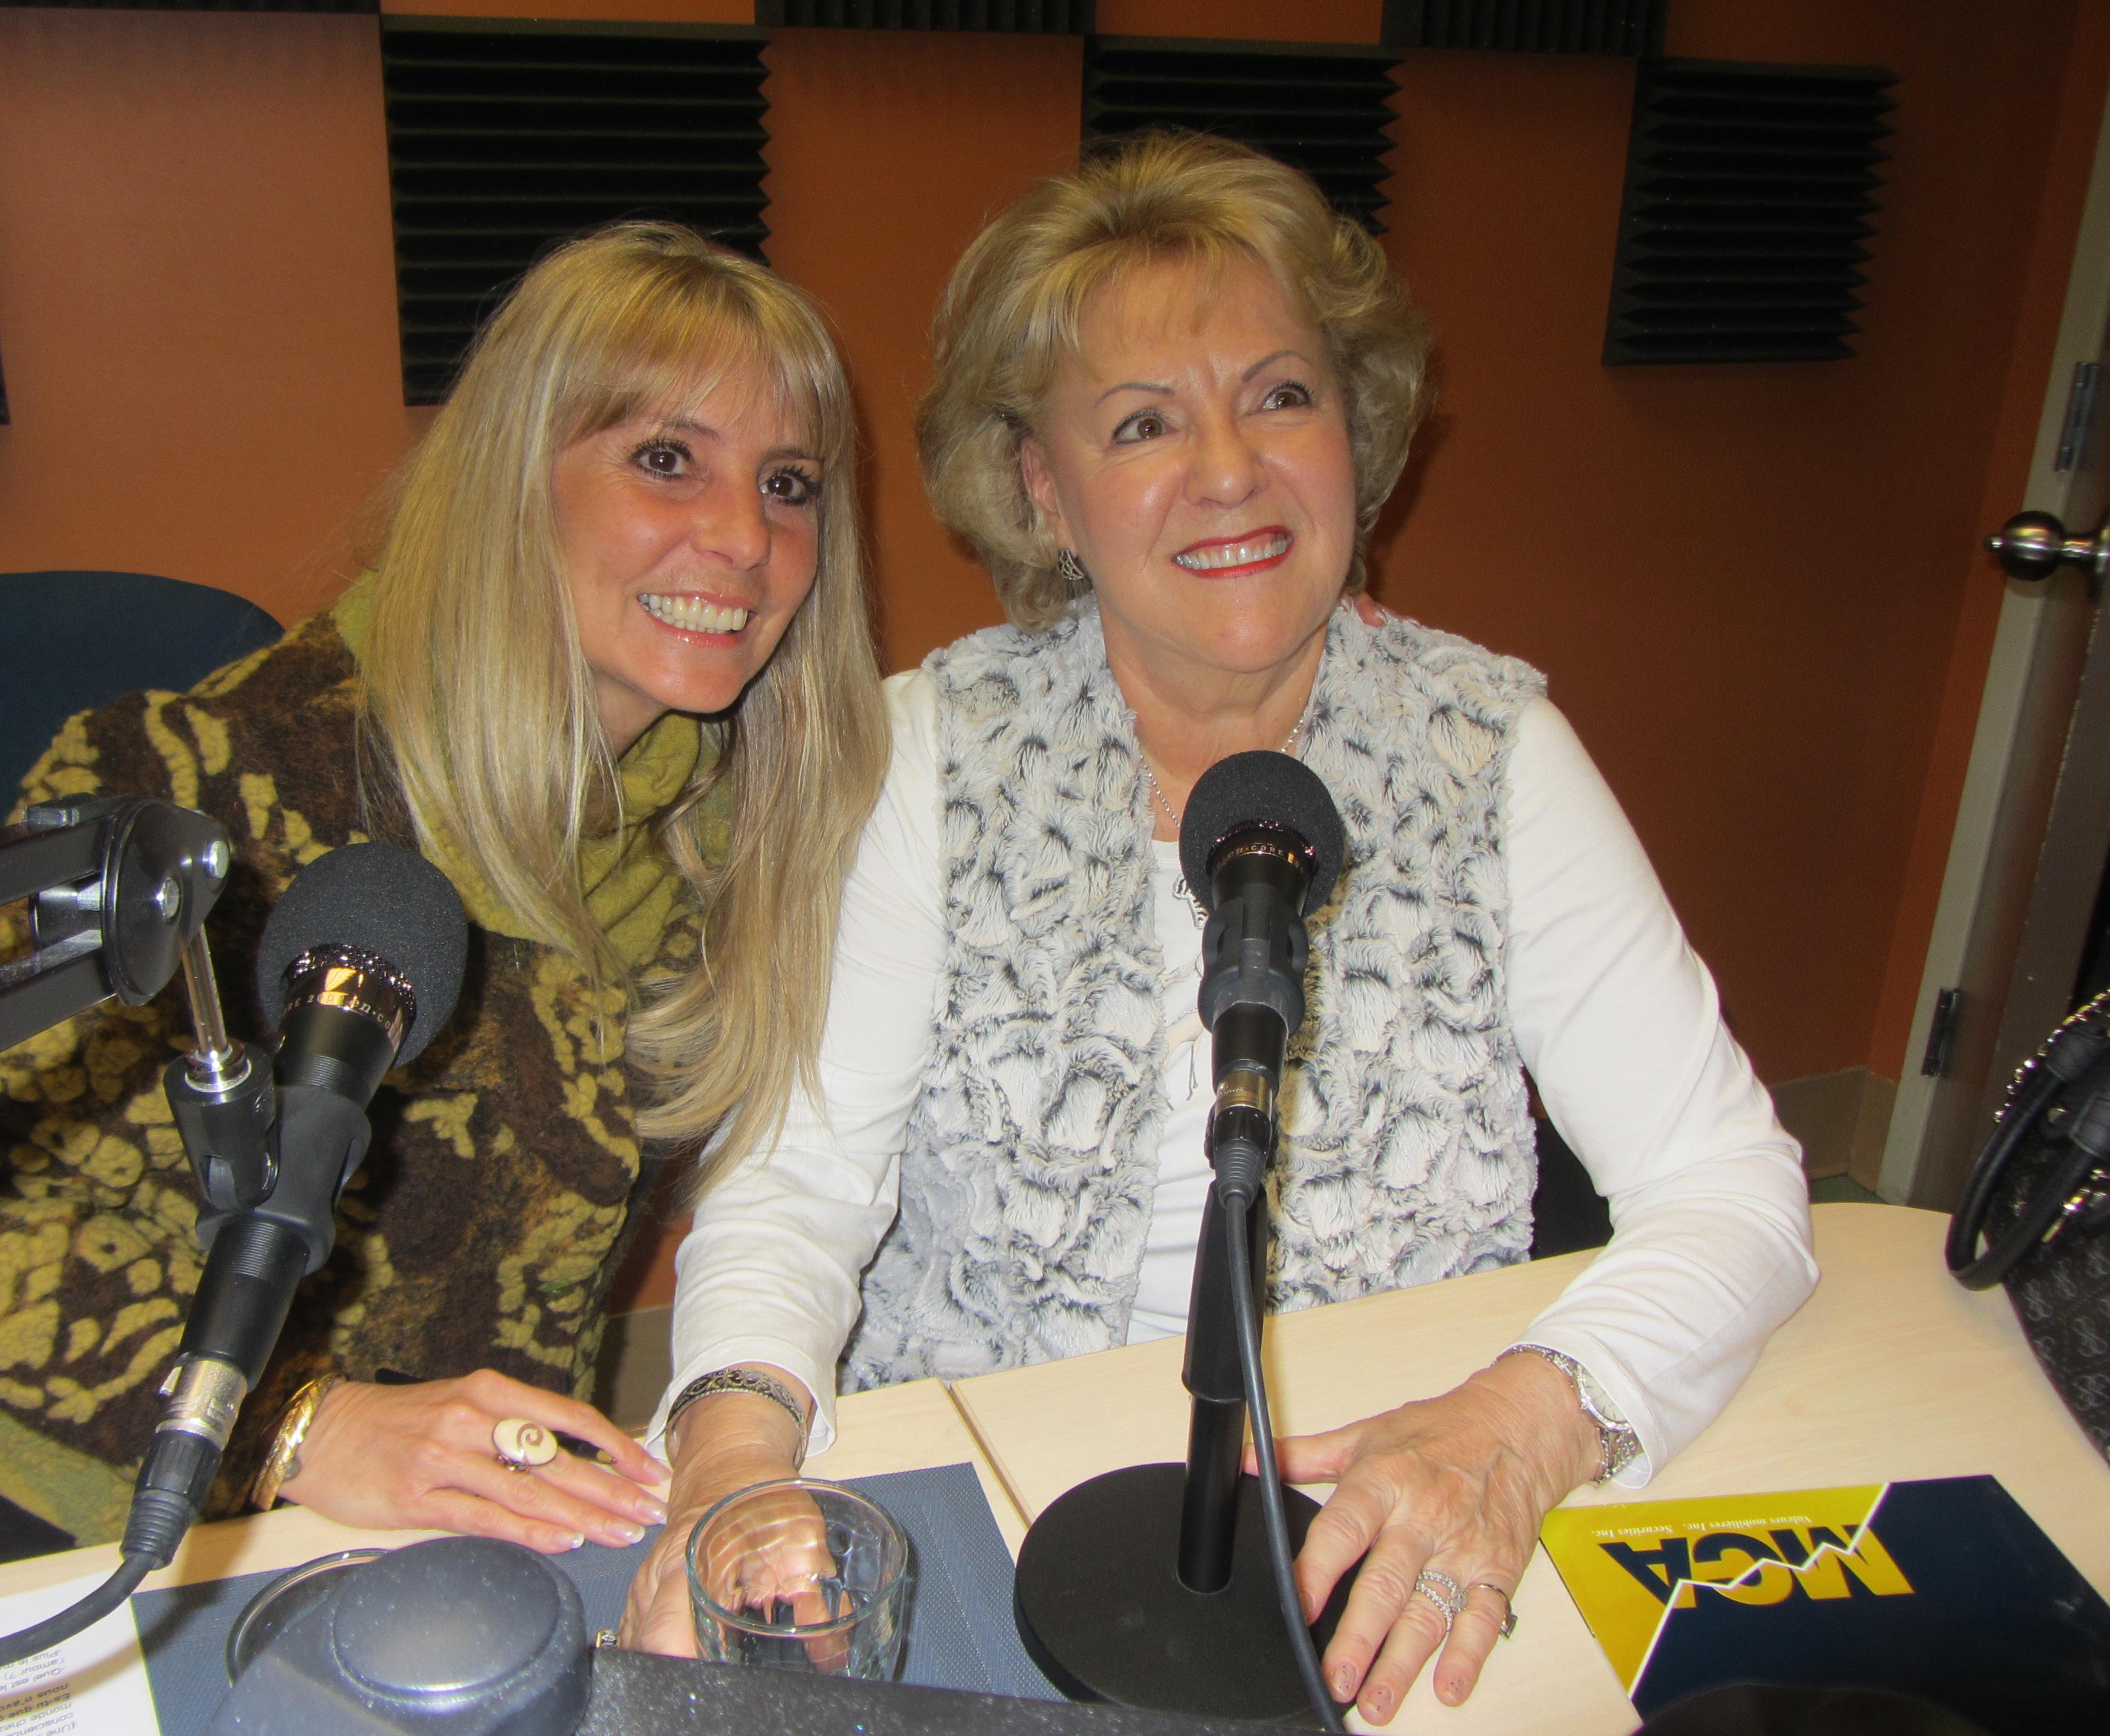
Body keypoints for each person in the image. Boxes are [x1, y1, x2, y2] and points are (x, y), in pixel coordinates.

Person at [627, 133, 1818, 1725]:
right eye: (1141, 423)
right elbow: (798, 1180)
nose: (1231, 469)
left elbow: (1730, 1184)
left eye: (1279, 397)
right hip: (996, 1497)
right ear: (1042, 489)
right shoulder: (931, 751)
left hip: (1380, 1519)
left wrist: (1525, 1422)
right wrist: (732, 1449)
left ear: (1354, 435)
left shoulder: (1488, 750)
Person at [0, 222, 887, 1610]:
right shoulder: (195, 789)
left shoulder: (715, 833)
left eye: (787, 484)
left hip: (379, 1547)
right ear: (510, 481)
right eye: (665, 458)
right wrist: (300, 1420)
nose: (744, 538)